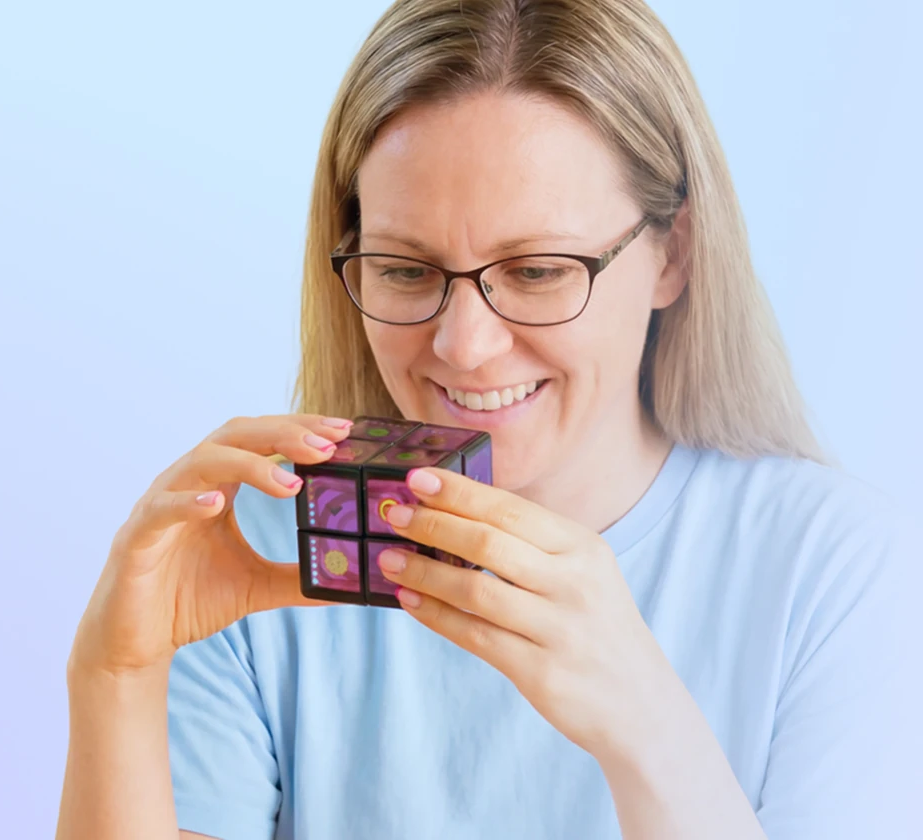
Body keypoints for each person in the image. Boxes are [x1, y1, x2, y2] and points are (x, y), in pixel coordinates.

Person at [54, 1, 918, 838]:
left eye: (538, 270)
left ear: (673, 254)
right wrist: (114, 675)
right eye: (402, 269)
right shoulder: (256, 556)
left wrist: (647, 729)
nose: (464, 346)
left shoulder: (840, 575)